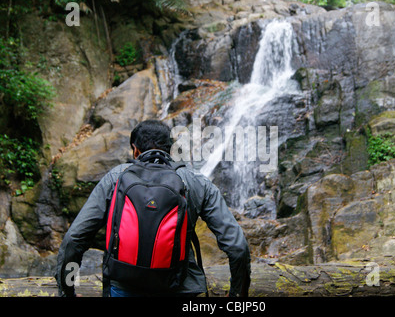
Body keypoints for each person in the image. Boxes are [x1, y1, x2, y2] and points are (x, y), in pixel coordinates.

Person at [55, 119, 251, 297]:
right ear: (170, 150)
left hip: (122, 287)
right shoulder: (196, 181)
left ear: (135, 150)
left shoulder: (116, 178)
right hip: (178, 287)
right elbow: (238, 247)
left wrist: (67, 291)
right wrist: (236, 296)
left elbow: (74, 240)